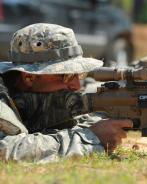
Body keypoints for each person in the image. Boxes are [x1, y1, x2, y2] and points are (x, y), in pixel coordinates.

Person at [0, 23, 132, 163]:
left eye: (78, 75)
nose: (76, 86)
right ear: (29, 77)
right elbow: (5, 150)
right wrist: (88, 138)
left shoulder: (40, 102)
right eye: (66, 76)